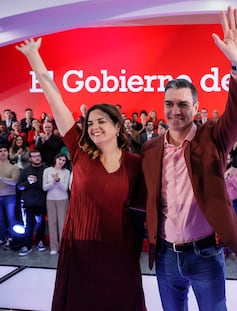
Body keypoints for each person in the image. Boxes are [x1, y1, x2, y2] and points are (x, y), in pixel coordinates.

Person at [17, 38, 146, 310]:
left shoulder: (136, 163)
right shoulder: (79, 151)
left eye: (101, 121)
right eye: (89, 123)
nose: (94, 127)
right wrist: (33, 56)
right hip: (80, 248)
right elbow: (55, 99)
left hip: (119, 251)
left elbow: (141, 208)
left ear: (117, 126)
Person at [140, 6, 237, 310]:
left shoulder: (213, 137)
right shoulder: (151, 148)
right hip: (164, 255)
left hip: (205, 254)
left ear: (196, 106)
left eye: (183, 104)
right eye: (169, 104)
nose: (175, 111)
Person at [16, 149, 47, 256]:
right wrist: (28, 182)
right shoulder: (25, 170)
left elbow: (47, 187)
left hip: (41, 202)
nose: (37, 158)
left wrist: (37, 181)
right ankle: (27, 246)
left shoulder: (46, 169)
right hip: (28, 203)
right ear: (30, 159)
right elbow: (19, 186)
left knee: (40, 224)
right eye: (34, 156)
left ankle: (40, 242)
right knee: (28, 225)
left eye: (38, 156)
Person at [42, 152, 70, 255]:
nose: (61, 162)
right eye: (60, 159)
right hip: (50, 199)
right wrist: (53, 182)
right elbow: (44, 188)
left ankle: (63, 246)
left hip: (63, 199)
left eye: (64, 160)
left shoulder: (66, 172)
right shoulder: (47, 170)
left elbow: (65, 188)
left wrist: (58, 181)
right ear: (56, 159)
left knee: (62, 224)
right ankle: (54, 247)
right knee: (52, 223)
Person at [0, 145, 20, 249]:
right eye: (1, 151)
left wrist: (2, 178)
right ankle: (3, 238)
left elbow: (14, 182)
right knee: (0, 219)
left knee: (11, 218)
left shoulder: (14, 167)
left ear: (8, 153)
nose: (3, 152)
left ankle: (12, 238)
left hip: (9, 196)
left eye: (4, 150)